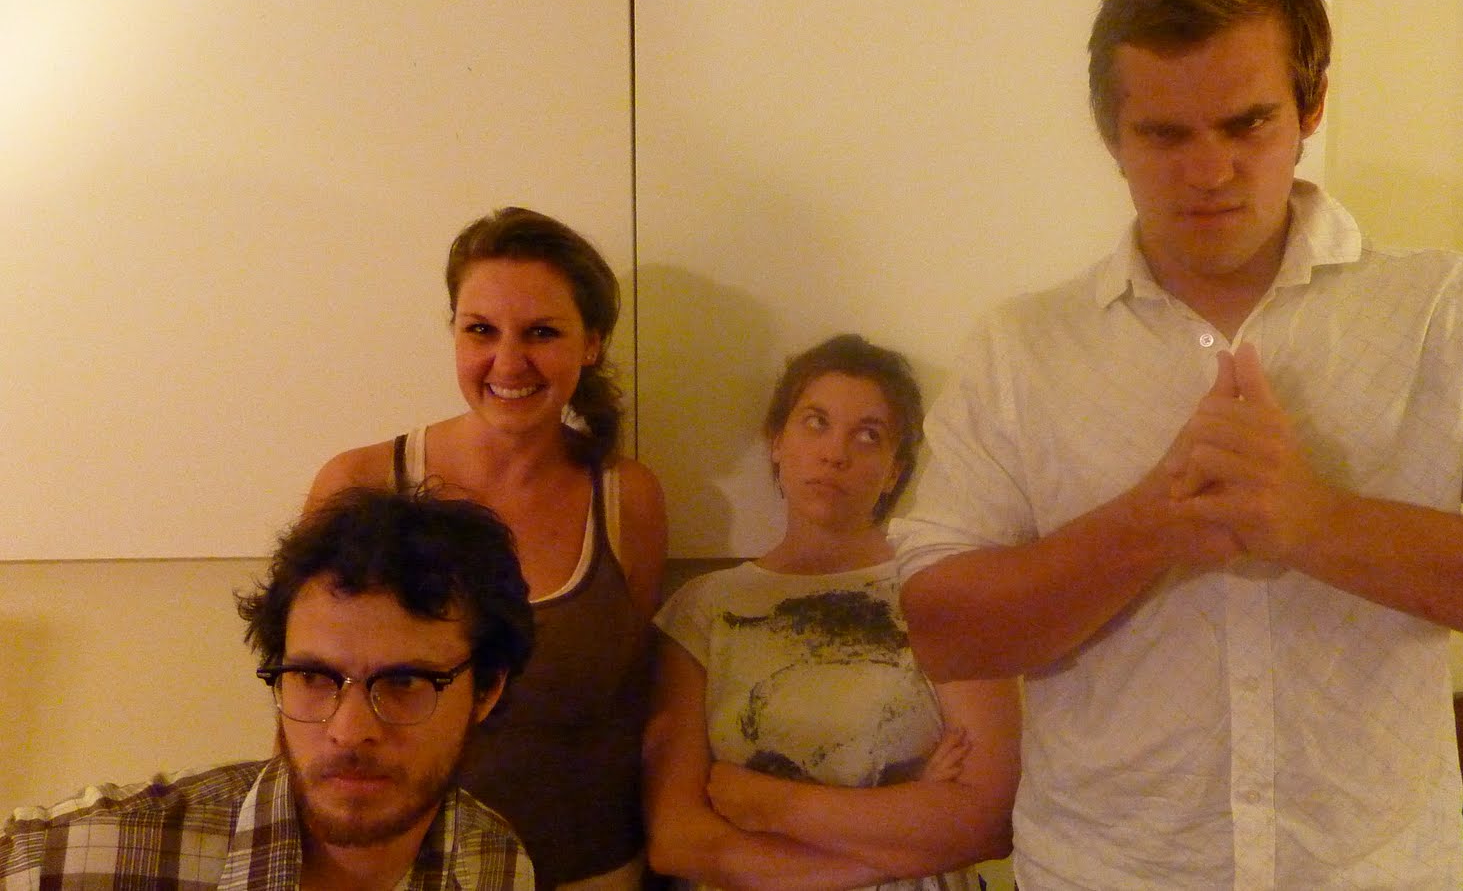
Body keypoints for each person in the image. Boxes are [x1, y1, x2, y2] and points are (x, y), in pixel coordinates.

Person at [891, 0, 1463, 887]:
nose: (1209, 170)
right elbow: (945, 634)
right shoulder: (1021, 348)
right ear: (1111, 135)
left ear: (1310, 105)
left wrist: (1315, 523)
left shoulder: (1455, 315)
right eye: (1164, 134)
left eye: (1248, 123)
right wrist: (1149, 526)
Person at [305, 208, 668, 891]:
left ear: (591, 343)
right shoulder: (358, 483)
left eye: (542, 332)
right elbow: (306, 700)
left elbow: (633, 703)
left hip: (589, 871)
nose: (508, 362)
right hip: (404, 876)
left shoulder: (628, 499)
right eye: (481, 330)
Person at [0, 487, 537, 890]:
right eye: (313, 678)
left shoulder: (494, 863)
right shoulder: (73, 861)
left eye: (403, 682)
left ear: (486, 690)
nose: (348, 731)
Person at [644, 334, 1021, 891]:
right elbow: (678, 841)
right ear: (776, 441)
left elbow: (988, 822)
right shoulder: (703, 610)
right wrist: (901, 838)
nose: (835, 454)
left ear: (894, 471)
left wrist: (771, 803)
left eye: (868, 435)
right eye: (816, 422)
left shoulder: (945, 595)